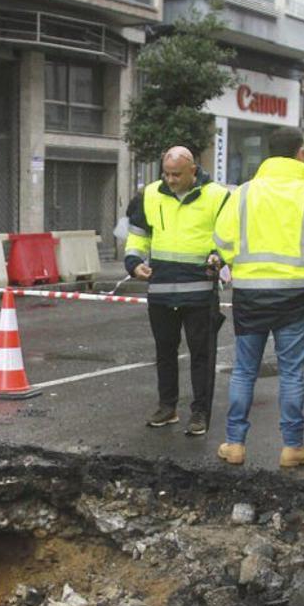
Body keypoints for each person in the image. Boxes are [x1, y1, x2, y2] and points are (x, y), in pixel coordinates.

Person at [212, 126, 304, 468]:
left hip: (249, 295)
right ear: (301, 153)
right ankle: (292, 447)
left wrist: (243, 264)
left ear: (269, 153)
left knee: (244, 371)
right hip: (296, 296)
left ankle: (234, 444)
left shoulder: (243, 194)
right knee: (291, 373)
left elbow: (222, 241)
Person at [124, 145, 229, 437]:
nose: (170, 180)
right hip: (161, 290)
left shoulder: (217, 196)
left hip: (199, 292)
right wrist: (133, 262)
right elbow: (138, 235)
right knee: (165, 351)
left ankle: (200, 412)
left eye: (177, 175)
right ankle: (167, 407)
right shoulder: (150, 194)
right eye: (167, 174)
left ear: (193, 171)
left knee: (201, 355)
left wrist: (219, 256)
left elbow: (229, 236)